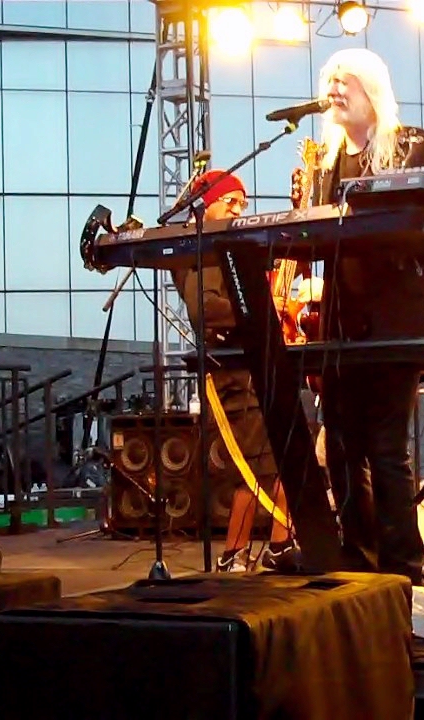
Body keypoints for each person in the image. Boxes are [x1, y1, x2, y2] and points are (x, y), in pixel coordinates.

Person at [312, 48, 424, 587]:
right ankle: (359, 556)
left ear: (371, 88)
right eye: (328, 80)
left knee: (387, 448)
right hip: (343, 325)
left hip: (396, 320)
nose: (334, 89)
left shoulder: (415, 146)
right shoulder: (327, 163)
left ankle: (404, 569)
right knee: (341, 447)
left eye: (343, 80)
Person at [170, 169, 299, 573]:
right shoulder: (206, 251)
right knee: (263, 462)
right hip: (230, 370)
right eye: (230, 202)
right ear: (205, 206)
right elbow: (205, 309)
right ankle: (257, 548)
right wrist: (262, 311)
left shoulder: (222, 249)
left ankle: (262, 547)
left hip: (247, 364)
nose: (238, 210)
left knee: (267, 461)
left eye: (243, 203)